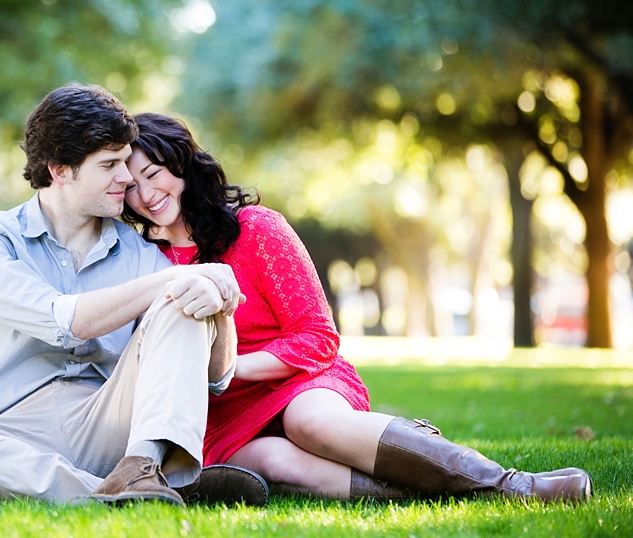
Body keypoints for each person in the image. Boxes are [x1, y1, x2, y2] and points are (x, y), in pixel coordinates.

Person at [122, 112, 593, 502]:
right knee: (273, 462)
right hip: (219, 416)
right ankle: (440, 483)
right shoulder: (142, 262)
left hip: (299, 381)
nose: (146, 195)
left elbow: (317, 337)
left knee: (309, 423)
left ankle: (513, 484)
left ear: (182, 165)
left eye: (153, 174)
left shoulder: (256, 229)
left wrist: (229, 371)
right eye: (131, 186)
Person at [0, 85, 268, 507]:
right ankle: (116, 490)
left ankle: (140, 469)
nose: (127, 178)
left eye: (125, 161)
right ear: (59, 170)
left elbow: (216, 379)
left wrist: (216, 306)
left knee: (183, 298)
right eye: (110, 164)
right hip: (13, 433)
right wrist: (182, 278)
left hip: (110, 424)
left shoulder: (141, 255)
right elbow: (64, 320)